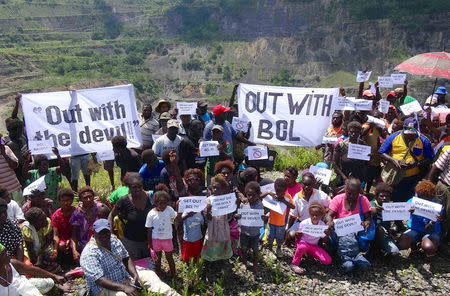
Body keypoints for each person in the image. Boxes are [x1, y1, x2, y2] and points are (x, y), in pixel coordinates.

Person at [380, 117, 434, 234]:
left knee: (412, 201)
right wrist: (394, 160)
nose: (410, 136)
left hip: (414, 178)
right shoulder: (394, 137)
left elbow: (430, 158)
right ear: (403, 129)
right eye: (407, 133)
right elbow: (382, 152)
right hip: (397, 177)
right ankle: (398, 223)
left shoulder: (423, 140)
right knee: (397, 200)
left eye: (412, 133)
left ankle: (413, 225)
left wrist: (417, 163)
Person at [80, 219, 141, 296]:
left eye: (106, 232)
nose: (104, 235)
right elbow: (99, 280)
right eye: (100, 233)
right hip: (102, 288)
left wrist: (134, 274)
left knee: (150, 276)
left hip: (124, 278)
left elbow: (126, 258)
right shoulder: (89, 253)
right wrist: (124, 287)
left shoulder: (114, 240)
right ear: (94, 233)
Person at [325, 178, 372, 273]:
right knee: (345, 238)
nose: (351, 196)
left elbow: (368, 218)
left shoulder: (363, 200)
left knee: (359, 266)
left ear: (359, 192)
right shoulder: (338, 199)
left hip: (356, 232)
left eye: (354, 194)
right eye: (349, 193)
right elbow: (329, 215)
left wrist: (366, 223)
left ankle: (352, 259)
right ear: (345, 189)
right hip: (339, 232)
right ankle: (348, 258)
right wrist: (329, 222)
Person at [109, 173, 153, 260]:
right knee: (136, 266)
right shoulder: (124, 200)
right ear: (128, 187)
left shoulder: (151, 197)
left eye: (140, 186)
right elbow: (111, 215)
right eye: (134, 187)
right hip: (131, 241)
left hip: (149, 240)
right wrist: (111, 233)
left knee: (150, 265)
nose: (138, 189)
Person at [398, 180, 442, 257]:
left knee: (429, 248)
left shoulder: (436, 208)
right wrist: (407, 212)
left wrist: (433, 222)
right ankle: (414, 246)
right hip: (415, 229)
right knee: (401, 244)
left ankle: (432, 247)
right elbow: (400, 215)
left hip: (431, 232)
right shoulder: (412, 202)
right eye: (420, 197)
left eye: (426, 198)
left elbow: (430, 229)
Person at [291, 202, 331, 274]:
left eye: (317, 215)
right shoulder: (304, 223)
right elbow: (298, 237)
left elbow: (324, 240)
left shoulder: (322, 225)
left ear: (322, 215)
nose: (314, 217)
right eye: (313, 215)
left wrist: (327, 234)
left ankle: (309, 254)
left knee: (327, 261)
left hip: (313, 246)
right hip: (303, 243)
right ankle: (295, 264)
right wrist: (298, 234)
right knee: (303, 247)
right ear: (309, 214)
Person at [288, 173, 330, 241]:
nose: (307, 187)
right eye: (305, 184)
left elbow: (330, 207)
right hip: (302, 223)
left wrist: (325, 219)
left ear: (313, 184)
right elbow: (292, 216)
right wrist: (288, 229)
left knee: (325, 237)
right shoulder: (297, 197)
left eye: (309, 184)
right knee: (291, 234)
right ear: (301, 183)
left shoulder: (321, 195)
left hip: (317, 223)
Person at [201, 175, 233, 261]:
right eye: (214, 187)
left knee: (223, 242)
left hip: (223, 227)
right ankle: (211, 259)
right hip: (213, 227)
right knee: (212, 243)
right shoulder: (208, 200)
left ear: (223, 189)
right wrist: (208, 210)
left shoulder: (226, 200)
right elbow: (208, 218)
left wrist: (233, 208)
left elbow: (229, 217)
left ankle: (222, 258)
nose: (215, 190)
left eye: (218, 188)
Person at [236, 181, 266, 273]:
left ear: (258, 195)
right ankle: (244, 263)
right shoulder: (243, 204)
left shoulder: (260, 205)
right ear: (246, 194)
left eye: (253, 195)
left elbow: (261, 218)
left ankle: (255, 264)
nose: (250, 197)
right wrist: (237, 216)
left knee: (255, 249)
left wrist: (264, 218)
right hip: (244, 231)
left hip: (255, 233)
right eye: (248, 195)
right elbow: (239, 217)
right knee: (243, 248)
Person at [145, 191, 177, 277]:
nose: (163, 205)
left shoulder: (169, 210)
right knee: (157, 258)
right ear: (155, 203)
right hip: (156, 240)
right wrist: (149, 242)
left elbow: (176, 217)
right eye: (160, 203)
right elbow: (149, 229)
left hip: (167, 239)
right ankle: (159, 273)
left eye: (165, 203)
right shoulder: (151, 214)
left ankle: (173, 274)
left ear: (168, 202)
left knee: (169, 257)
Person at [261, 178, 295, 256]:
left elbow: (293, 206)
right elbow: (260, 197)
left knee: (279, 238)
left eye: (281, 192)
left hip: (281, 223)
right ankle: (270, 248)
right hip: (271, 221)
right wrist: (269, 193)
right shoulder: (272, 194)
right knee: (270, 236)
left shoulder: (287, 196)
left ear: (285, 190)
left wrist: (284, 201)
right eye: (277, 191)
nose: (279, 194)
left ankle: (278, 248)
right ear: (274, 188)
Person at [21, 207, 59, 272]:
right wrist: (37, 261)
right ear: (34, 223)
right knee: (29, 265)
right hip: (31, 251)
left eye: (45, 218)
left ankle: (44, 266)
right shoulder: (27, 229)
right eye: (42, 220)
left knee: (52, 255)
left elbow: (49, 240)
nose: (46, 221)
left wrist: (40, 255)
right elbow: (31, 250)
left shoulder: (47, 222)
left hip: (43, 247)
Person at [70, 186, 103, 257]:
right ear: (80, 199)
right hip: (85, 244)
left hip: (101, 241)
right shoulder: (77, 213)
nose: (88, 199)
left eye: (90, 196)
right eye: (85, 198)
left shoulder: (100, 208)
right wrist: (74, 250)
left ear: (93, 196)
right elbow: (74, 233)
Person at [370, 183, 400, 256]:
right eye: (381, 196)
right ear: (376, 196)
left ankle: (382, 251)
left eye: (387, 196)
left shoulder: (391, 207)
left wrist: (408, 211)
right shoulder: (371, 204)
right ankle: (374, 249)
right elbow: (367, 211)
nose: (384, 198)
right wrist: (375, 211)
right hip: (371, 235)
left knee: (395, 253)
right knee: (380, 230)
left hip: (385, 235)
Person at [427, 148, 450, 242]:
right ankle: (441, 239)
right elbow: (436, 167)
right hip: (446, 187)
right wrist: (428, 185)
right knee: (442, 214)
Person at [51, 188, 77, 261]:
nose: (66, 203)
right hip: (62, 238)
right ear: (59, 201)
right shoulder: (56, 215)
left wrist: (70, 240)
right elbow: (56, 235)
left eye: (68, 200)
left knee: (74, 246)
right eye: (63, 201)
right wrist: (55, 250)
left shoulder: (76, 212)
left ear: (72, 200)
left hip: (75, 237)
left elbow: (74, 232)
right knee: (61, 245)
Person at [0, 141, 23, 206]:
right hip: (2, 194)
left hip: (15, 188)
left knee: (19, 211)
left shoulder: (6, 148)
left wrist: (4, 154)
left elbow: (15, 165)